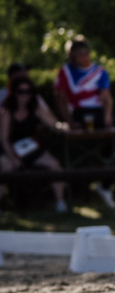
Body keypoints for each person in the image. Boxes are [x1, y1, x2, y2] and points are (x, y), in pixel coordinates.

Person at [53, 35, 115, 208]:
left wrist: (107, 118)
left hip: (99, 116)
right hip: (78, 117)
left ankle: (105, 186)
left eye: (83, 53)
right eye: (76, 54)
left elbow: (107, 97)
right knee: (75, 156)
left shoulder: (99, 71)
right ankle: (76, 193)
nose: (81, 58)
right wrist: (68, 120)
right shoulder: (65, 72)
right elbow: (59, 98)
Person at [0, 76, 69, 212]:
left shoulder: (35, 108)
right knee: (6, 169)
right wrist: (14, 159)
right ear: (14, 92)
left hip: (28, 148)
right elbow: (4, 140)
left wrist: (66, 126)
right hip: (7, 149)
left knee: (54, 165)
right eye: (21, 91)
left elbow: (54, 125)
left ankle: (60, 203)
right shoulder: (7, 111)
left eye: (28, 91)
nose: (25, 95)